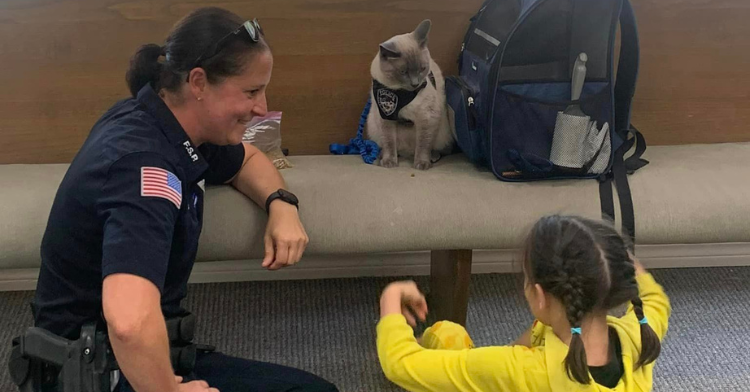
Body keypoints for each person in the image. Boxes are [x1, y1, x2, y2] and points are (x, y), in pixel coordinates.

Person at [30, 7, 338, 392]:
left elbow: (249, 159)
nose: (262, 107)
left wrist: (281, 204)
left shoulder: (166, 121)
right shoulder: (146, 169)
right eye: (251, 91)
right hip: (93, 373)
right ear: (198, 82)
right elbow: (128, 321)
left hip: (136, 356)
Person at [376, 215, 671, 391]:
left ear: (539, 295)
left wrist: (390, 297)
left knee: (445, 334)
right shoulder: (641, 333)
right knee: (537, 332)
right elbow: (655, 299)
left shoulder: (519, 370)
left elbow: (400, 364)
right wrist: (607, 258)